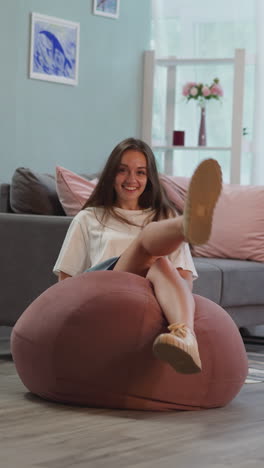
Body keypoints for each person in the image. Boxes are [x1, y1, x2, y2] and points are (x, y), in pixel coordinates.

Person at [53, 138, 222, 374]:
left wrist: (168, 301)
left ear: (149, 178)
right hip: (103, 292)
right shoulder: (89, 217)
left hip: (149, 296)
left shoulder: (163, 215)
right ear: (111, 175)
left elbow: (184, 279)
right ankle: (187, 225)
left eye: (140, 172)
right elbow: (65, 281)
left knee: (161, 261)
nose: (132, 179)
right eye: (123, 171)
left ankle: (185, 337)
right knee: (149, 242)